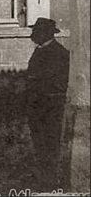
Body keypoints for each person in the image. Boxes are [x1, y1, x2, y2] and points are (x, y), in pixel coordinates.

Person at [24, 17, 70, 190]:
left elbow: (58, 83)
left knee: (50, 144)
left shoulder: (59, 53)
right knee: (40, 144)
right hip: (37, 109)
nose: (32, 35)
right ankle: (44, 178)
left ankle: (51, 181)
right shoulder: (40, 50)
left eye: (35, 31)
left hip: (50, 109)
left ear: (45, 33)